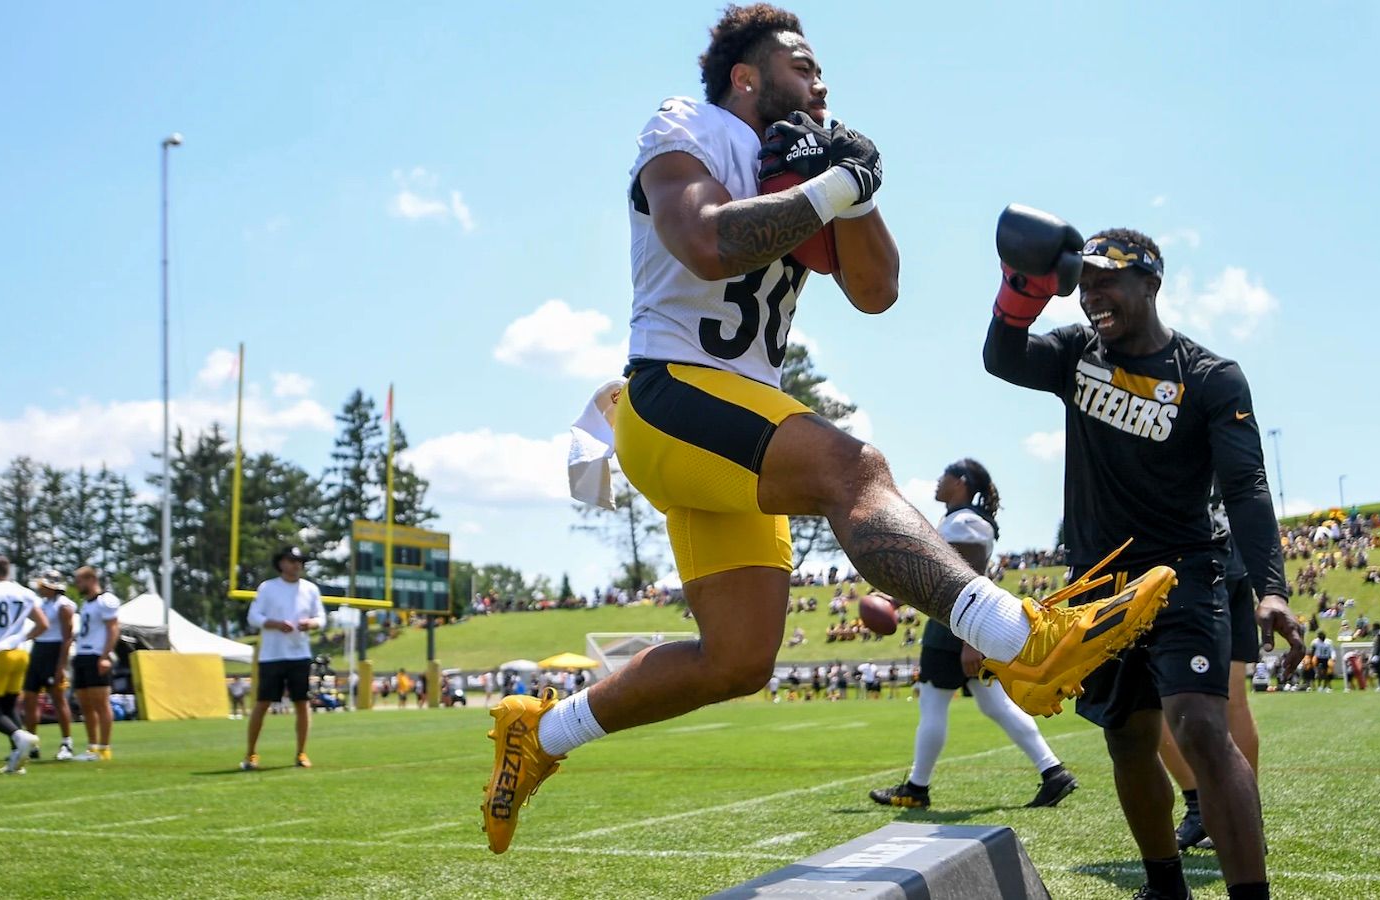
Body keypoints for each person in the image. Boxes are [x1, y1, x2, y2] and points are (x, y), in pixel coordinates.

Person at [482, 4, 1169, 855]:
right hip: (673, 396)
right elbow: (702, 243)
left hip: (733, 422)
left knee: (737, 660)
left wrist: (852, 182)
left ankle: (542, 734)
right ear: (746, 75)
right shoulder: (685, 125)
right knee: (854, 468)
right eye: (802, 65)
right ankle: (1020, 638)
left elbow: (876, 289)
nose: (822, 81)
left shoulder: (809, 155)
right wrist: (830, 187)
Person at [984, 220, 1299, 899]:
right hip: (1097, 584)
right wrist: (1021, 288)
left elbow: (1245, 487)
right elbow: (1002, 359)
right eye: (1084, 283)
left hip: (1184, 572)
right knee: (1127, 739)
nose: (1092, 296)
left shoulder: (1211, 377)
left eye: (1108, 282)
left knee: (1200, 728)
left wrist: (1271, 588)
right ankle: (1166, 885)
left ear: (1151, 282)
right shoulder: (1075, 352)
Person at [870, 460, 1080, 810]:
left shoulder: (965, 523)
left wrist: (970, 640)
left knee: (934, 702)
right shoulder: (961, 520)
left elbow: (967, 579)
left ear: (961, 482)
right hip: (968, 622)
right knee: (994, 703)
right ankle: (1053, 771)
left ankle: (916, 788)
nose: (937, 481)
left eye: (944, 477)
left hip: (956, 624)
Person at [1160, 492, 1297, 851]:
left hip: (1187, 555)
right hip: (1230, 554)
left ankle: (1199, 811)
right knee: (1235, 700)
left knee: (1147, 703)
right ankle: (1246, 817)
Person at [242, 546, 325, 770]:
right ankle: (250, 753)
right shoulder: (268, 588)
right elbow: (254, 617)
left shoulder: (310, 589)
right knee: (262, 703)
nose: (296, 565)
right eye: (291, 560)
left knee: (301, 703)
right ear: (281, 563)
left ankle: (301, 752)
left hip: (299, 653)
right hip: (272, 655)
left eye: (299, 561)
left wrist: (311, 623)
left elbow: (321, 617)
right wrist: (276, 624)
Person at [0, 556, 49, 774]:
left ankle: (20, 737)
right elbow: (43, 623)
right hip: (20, 653)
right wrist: (21, 639)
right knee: (8, 706)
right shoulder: (23, 592)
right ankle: (18, 759)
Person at [20, 568, 76, 760]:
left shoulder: (64, 606)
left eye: (44, 585)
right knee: (30, 698)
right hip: (39, 651)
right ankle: (32, 743)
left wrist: (61, 666)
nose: (40, 588)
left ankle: (67, 743)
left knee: (58, 699)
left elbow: (67, 638)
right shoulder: (42, 603)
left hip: (54, 652)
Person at [69, 566, 120, 762]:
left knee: (101, 702)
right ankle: (92, 747)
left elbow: (113, 629)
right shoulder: (86, 603)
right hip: (82, 654)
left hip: (96, 654)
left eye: (80, 581)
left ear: (91, 579)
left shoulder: (105, 601)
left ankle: (104, 747)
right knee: (85, 703)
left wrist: (105, 656)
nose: (77, 585)